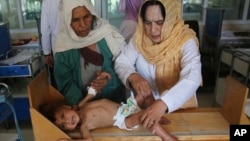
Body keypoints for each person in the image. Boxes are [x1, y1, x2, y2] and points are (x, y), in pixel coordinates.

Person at [115, 0, 202, 129]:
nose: (153, 30)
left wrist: (163, 103)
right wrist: (133, 76)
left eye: (160, 23)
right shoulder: (139, 37)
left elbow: (192, 76)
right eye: (147, 23)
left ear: (171, 18)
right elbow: (122, 62)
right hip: (146, 111)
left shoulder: (185, 40)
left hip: (180, 108)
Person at [53, 0, 126, 106]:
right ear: (67, 20)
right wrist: (83, 105)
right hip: (83, 107)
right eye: (75, 20)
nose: (83, 25)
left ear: (92, 14)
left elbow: (122, 65)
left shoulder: (106, 34)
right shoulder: (64, 46)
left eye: (86, 17)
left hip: (114, 104)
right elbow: (65, 83)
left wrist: (108, 78)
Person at [39, 94, 178, 141]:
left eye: (63, 116)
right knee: (144, 116)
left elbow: (91, 95)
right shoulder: (84, 126)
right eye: (64, 125)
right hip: (123, 120)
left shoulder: (82, 107)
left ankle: (157, 118)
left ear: (67, 107)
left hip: (125, 107)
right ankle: (165, 137)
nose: (68, 121)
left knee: (145, 94)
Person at [40, 0, 61, 88]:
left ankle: (60, 100)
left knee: (59, 80)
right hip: (77, 44)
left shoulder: (48, 1)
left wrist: (47, 52)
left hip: (58, 46)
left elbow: (45, 29)